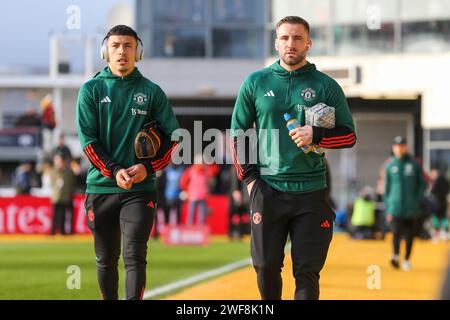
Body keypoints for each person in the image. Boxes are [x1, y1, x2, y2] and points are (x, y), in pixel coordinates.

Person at [230, 16, 356, 300]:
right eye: (285, 38)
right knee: (265, 267)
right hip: (267, 189)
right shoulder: (256, 82)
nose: (291, 44)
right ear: (276, 43)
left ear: (308, 43)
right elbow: (237, 133)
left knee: (307, 272)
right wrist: (250, 180)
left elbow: (349, 136)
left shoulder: (326, 86)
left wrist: (317, 135)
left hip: (311, 192)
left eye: (297, 38)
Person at [76, 25, 179, 300]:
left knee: (135, 257)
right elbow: (88, 141)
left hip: (140, 189)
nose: (122, 51)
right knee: (106, 259)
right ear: (106, 51)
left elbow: (176, 137)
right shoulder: (91, 90)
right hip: (100, 188)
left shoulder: (152, 92)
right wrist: (114, 169)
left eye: (128, 46)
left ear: (138, 52)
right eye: (116, 45)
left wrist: (149, 166)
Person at [384, 136, 425, 272]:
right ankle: (395, 256)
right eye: (396, 146)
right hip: (395, 207)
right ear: (393, 148)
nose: (399, 148)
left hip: (411, 207)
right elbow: (387, 189)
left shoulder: (414, 164)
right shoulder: (390, 165)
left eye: (402, 145)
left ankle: (406, 259)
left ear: (406, 147)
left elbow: (422, 184)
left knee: (409, 235)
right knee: (395, 232)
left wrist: (417, 200)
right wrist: (388, 207)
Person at [50, 152, 75, 235]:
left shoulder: (68, 172)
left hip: (66, 197)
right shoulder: (53, 171)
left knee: (65, 217)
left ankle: (64, 232)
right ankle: (53, 232)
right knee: (55, 217)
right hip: (56, 197)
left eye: (58, 160)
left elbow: (72, 184)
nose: (57, 162)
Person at [428, 167, 450, 242]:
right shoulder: (445, 181)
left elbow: (432, 192)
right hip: (443, 202)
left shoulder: (436, 182)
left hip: (436, 203)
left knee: (435, 218)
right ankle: (446, 233)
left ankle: (437, 234)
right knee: (444, 217)